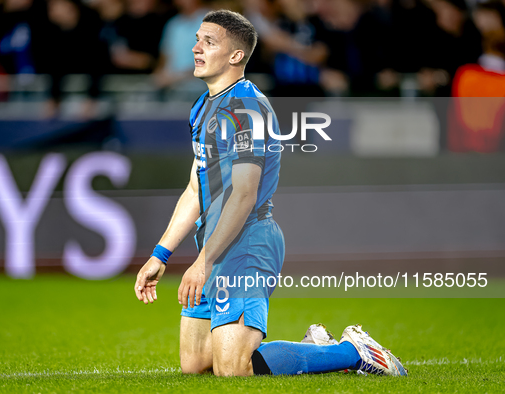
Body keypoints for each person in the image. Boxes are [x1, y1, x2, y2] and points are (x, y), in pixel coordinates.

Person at [134, 9, 408, 377]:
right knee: (196, 365)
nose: (196, 48)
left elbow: (244, 196)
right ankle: (314, 347)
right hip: (215, 242)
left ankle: (352, 351)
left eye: (208, 42)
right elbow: (194, 187)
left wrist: (204, 263)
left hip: (247, 242)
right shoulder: (203, 107)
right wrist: (161, 254)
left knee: (233, 369)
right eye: (198, 39)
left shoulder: (246, 109)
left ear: (236, 56)